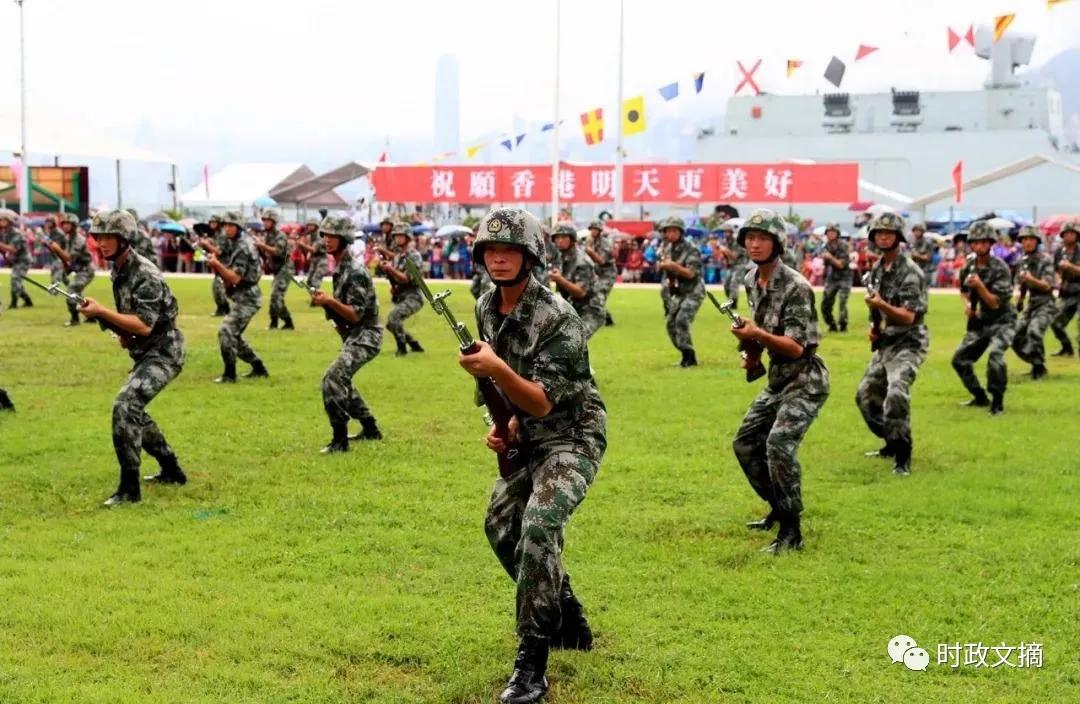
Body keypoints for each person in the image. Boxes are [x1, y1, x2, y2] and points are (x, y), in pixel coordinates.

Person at [461, 207, 605, 704]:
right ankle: (566, 611)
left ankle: (532, 663)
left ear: (530, 256)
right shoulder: (485, 306)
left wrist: (496, 367)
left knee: (539, 526)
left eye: (510, 250)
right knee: (501, 526)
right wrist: (499, 425)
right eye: (490, 250)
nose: (499, 259)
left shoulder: (559, 317)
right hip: (527, 434)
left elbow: (543, 401)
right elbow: (496, 392)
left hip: (571, 435)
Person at [730, 209, 829, 553]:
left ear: (778, 243)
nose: (755, 245)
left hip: (805, 379)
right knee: (745, 444)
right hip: (777, 380)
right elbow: (762, 328)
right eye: (750, 238)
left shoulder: (796, 287)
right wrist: (751, 349)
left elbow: (796, 346)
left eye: (763, 238)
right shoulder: (751, 280)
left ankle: (791, 531)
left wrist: (757, 334)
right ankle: (777, 505)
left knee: (779, 444)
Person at [76, 210, 187, 506]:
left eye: (108, 237)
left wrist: (102, 312)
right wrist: (117, 328)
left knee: (125, 405)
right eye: (98, 237)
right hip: (147, 350)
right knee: (134, 410)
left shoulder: (145, 273)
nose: (101, 243)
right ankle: (172, 469)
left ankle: (129, 489)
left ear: (124, 238)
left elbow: (144, 325)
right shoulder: (120, 268)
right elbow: (131, 318)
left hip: (165, 352)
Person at [854, 213, 929, 476]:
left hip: (909, 342)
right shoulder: (877, 269)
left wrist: (881, 305)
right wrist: (874, 329)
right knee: (865, 396)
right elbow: (875, 307)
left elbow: (909, 317)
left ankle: (902, 455)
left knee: (896, 392)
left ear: (899, 237)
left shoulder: (910, 272)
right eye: (879, 233)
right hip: (886, 342)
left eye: (889, 233)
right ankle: (890, 440)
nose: (883, 237)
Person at [308, 217, 383, 453]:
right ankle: (370, 428)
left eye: (333, 236)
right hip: (355, 334)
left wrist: (329, 301)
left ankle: (340, 440)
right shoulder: (341, 269)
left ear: (344, 239)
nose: (327, 240)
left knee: (332, 378)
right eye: (325, 235)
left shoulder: (355, 271)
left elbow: (355, 315)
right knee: (342, 379)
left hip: (367, 335)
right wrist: (328, 305)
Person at [952, 221, 1016, 415]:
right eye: (975, 242)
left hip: (1003, 321)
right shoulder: (969, 266)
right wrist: (968, 306)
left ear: (990, 243)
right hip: (981, 321)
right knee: (960, 359)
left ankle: (997, 402)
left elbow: (995, 303)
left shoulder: (1000, 268)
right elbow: (963, 290)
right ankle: (979, 397)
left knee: (995, 356)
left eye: (984, 242)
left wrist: (979, 286)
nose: (979, 246)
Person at [205, 211, 270, 383]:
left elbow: (235, 278)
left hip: (249, 297)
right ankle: (258, 367)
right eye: (225, 225)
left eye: (230, 225)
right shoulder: (236, 242)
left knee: (226, 331)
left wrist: (216, 264)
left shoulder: (243, 246)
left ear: (239, 226)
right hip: (243, 295)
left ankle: (229, 374)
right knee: (235, 336)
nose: (226, 228)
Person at [1011, 226, 1056, 379]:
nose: (1027, 242)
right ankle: (1036, 364)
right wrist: (1021, 300)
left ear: (1037, 241)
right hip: (1032, 304)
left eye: (1031, 239)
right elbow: (1023, 283)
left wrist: (1031, 279)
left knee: (1034, 331)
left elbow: (1047, 285)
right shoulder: (1022, 260)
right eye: (1024, 239)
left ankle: (1038, 368)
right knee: (1014, 335)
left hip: (1046, 303)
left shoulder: (1046, 260)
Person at [377, 223, 425, 356]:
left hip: (413, 296)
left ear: (407, 237)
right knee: (390, 324)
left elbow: (406, 279)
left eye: (401, 235)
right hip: (401, 295)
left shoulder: (414, 255)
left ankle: (402, 348)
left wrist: (390, 269)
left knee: (393, 319)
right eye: (396, 235)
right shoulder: (398, 255)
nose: (398, 238)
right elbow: (396, 276)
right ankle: (414, 344)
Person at [550, 224, 606, 339]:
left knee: (574, 340)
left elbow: (581, 292)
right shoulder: (561, 257)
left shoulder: (582, 261)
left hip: (590, 310)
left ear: (572, 239)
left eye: (564, 237)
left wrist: (560, 279)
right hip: (572, 308)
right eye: (557, 237)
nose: (560, 240)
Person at [44, 213, 96, 327]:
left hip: (86, 270)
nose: (65, 226)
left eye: (68, 224)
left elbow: (69, 258)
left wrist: (57, 248)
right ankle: (92, 316)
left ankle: (75, 319)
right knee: (76, 294)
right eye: (64, 223)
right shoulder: (68, 238)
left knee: (71, 291)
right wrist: (54, 250)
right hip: (78, 269)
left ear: (74, 225)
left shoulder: (79, 239)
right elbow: (66, 260)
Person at [254, 209, 295, 330]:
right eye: (264, 220)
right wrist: (259, 248)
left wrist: (262, 245)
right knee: (275, 296)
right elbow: (267, 254)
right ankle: (276, 323)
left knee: (276, 295)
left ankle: (286, 322)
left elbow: (278, 252)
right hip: (277, 269)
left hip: (285, 267)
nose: (265, 223)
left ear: (274, 222)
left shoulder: (280, 235)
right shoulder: (268, 235)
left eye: (268, 221)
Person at [1050, 220, 1080, 357]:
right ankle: (1066, 347)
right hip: (1067, 292)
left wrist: (1070, 266)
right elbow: (1055, 270)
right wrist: (1057, 279)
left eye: (1072, 233)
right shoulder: (1058, 252)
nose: (1069, 235)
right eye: (1066, 233)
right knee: (1055, 321)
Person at [819, 223, 853, 332]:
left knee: (842, 301)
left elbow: (841, 265)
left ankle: (843, 325)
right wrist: (825, 259)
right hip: (832, 277)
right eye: (829, 232)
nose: (830, 234)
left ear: (837, 234)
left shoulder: (843, 245)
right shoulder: (825, 246)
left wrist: (830, 257)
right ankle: (831, 324)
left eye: (833, 232)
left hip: (845, 276)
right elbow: (825, 264)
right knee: (825, 303)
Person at [583, 220, 617, 326]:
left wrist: (590, 252)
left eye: (595, 229)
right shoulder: (589, 241)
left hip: (608, 274)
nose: (593, 231)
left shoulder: (605, 243)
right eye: (592, 229)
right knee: (592, 295)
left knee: (599, 294)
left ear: (599, 231)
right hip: (596, 273)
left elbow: (602, 261)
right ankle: (606, 318)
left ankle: (605, 319)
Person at [197, 215, 231, 316]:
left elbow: (219, 251)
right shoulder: (216, 234)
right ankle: (223, 309)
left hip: (225, 264)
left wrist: (207, 244)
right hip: (219, 264)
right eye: (211, 222)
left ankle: (224, 309)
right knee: (217, 287)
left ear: (219, 223)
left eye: (214, 222)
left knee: (218, 287)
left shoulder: (222, 235)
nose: (212, 224)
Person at [0, 209, 33, 308]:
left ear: (9, 221)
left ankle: (14, 303)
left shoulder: (16, 233)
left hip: (23, 260)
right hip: (15, 260)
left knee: (15, 279)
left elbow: (13, 249)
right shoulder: (4, 233)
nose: (1, 222)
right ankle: (28, 301)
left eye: (3, 220)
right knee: (17, 281)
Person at [717, 221, 749, 308]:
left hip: (740, 265)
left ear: (731, 232)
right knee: (726, 284)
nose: (726, 233)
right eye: (725, 232)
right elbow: (726, 256)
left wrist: (725, 249)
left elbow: (734, 256)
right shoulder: (726, 242)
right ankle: (731, 300)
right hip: (731, 266)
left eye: (728, 231)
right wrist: (723, 258)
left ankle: (732, 303)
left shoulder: (737, 242)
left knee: (733, 283)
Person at [295, 217, 329, 295]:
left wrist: (302, 244)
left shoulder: (320, 235)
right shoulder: (311, 235)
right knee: (309, 281)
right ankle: (314, 297)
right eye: (308, 225)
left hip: (322, 259)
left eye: (311, 225)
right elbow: (309, 250)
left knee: (315, 280)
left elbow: (314, 249)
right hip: (315, 259)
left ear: (316, 226)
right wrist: (301, 246)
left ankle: (316, 298)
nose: (309, 227)